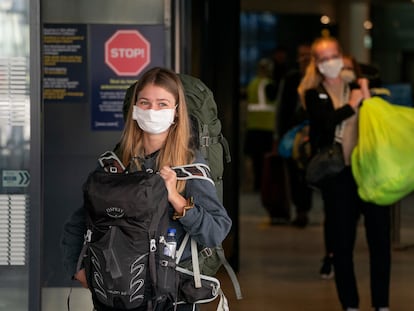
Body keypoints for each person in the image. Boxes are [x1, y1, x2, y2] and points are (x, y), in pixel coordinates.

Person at [60, 67, 233, 311]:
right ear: (135, 109)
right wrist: (77, 270)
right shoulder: (114, 165)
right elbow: (77, 224)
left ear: (176, 112)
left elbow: (216, 231)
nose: (153, 111)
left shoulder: (189, 166)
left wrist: (176, 199)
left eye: (162, 104)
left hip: (172, 299)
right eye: (145, 102)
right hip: (115, 295)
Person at [298, 36, 391, 311]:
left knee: (380, 241)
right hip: (338, 176)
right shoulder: (314, 93)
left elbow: (380, 123)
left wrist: (366, 94)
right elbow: (323, 128)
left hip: (370, 172)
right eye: (323, 58)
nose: (330, 62)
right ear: (316, 63)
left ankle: (381, 305)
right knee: (341, 244)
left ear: (343, 55)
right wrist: (350, 105)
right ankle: (350, 305)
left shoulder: (363, 86)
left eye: (333, 55)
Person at [276, 42, 313, 228]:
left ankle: (304, 209)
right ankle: (298, 210)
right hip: (292, 135)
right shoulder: (291, 79)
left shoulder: (318, 79)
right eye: (302, 55)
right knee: (293, 174)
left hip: (312, 135)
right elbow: (282, 108)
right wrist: (279, 135)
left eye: (308, 55)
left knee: (307, 174)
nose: (304, 60)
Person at [244, 58, 277, 191]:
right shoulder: (270, 84)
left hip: (253, 126)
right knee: (266, 161)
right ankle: (265, 186)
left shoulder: (252, 84)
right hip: (267, 127)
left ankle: (256, 185)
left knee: (255, 160)